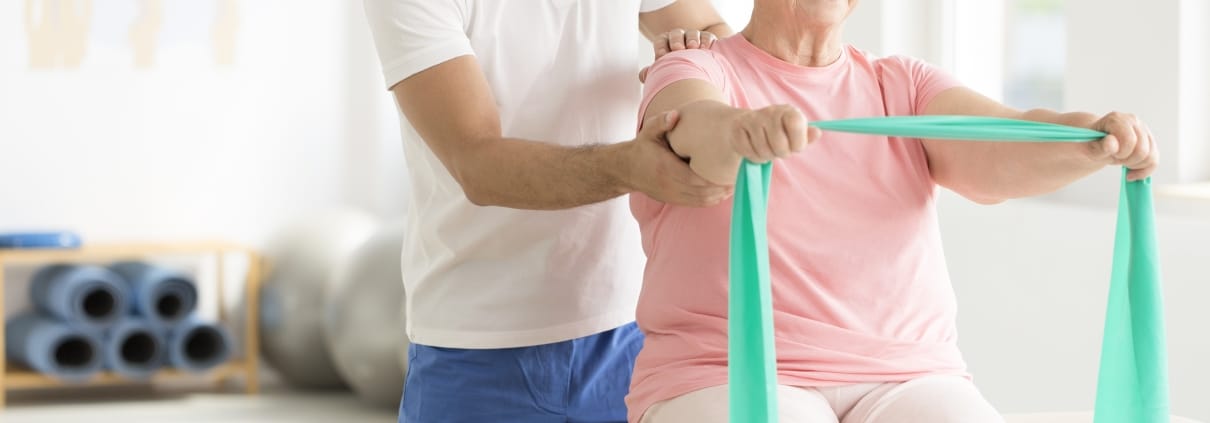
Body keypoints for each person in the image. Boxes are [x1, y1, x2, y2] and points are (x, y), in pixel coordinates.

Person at [627, 1, 1159, 422]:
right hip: (723, 369)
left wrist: (1090, 140)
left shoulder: (901, 84)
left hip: (908, 374)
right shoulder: (695, 65)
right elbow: (692, 134)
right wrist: (739, 134)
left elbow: (999, 142)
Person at [361, 1, 733, 422]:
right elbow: (478, 163)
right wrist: (634, 167)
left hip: (628, 328)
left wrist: (696, 58)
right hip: (476, 344)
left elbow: (709, 29)